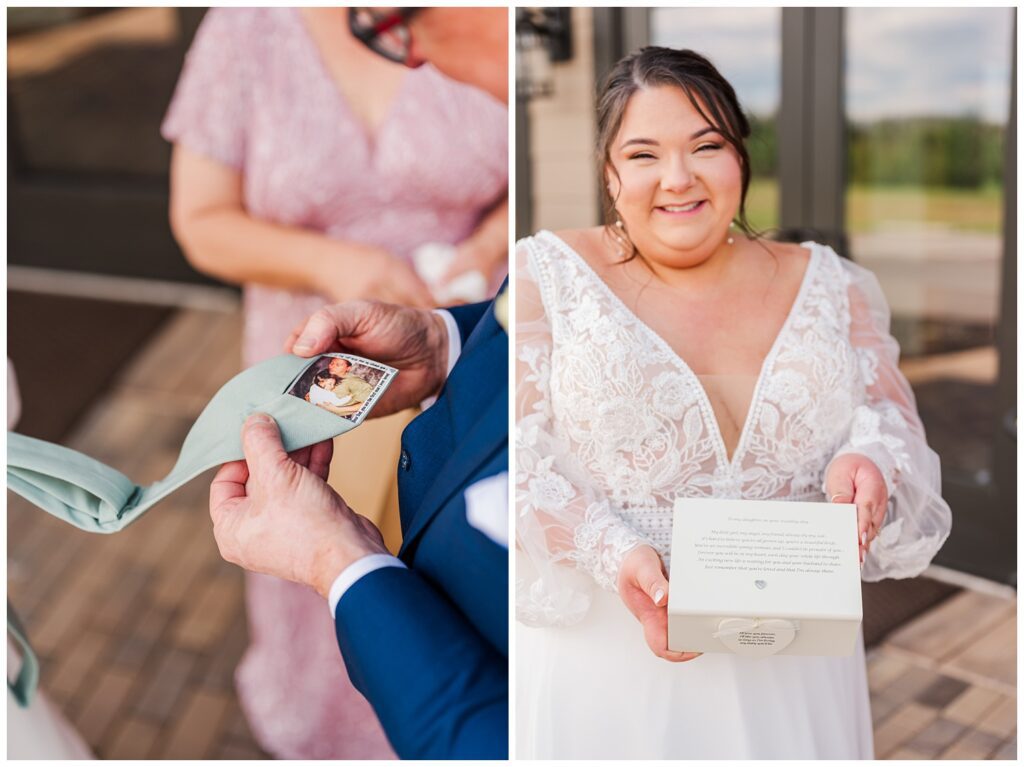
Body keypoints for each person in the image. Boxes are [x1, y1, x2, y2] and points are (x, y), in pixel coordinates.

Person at [515, 47, 951, 759]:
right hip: (612, 661)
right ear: (608, 173)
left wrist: (870, 457)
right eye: (645, 153)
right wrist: (613, 550)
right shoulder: (547, 274)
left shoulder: (829, 280)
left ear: (740, 158)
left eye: (706, 146)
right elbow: (513, 460)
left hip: (794, 658)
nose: (679, 178)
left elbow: (889, 415)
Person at [162, 7, 506, 758]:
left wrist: (483, 245)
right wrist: (337, 265)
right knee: (313, 545)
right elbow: (200, 220)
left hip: (455, 350)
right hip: (311, 367)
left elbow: (549, 160)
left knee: (440, 571)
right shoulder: (246, 27)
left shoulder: (482, 20)